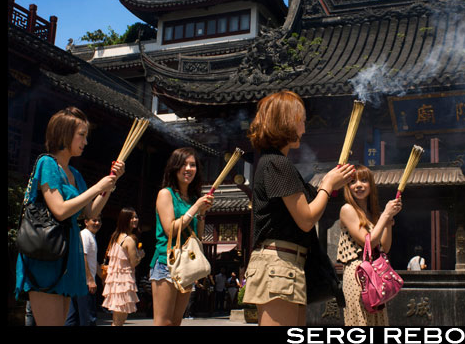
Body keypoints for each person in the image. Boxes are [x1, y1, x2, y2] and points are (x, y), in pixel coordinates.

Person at [242, 90, 355, 326]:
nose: (304, 125)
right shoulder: (277, 163)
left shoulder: (277, 164)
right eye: (301, 119)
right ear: (286, 121)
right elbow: (306, 218)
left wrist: (331, 182)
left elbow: (311, 198)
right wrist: (328, 184)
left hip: (287, 264)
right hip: (278, 265)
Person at [14, 107, 124, 326]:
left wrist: (109, 185)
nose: (86, 141)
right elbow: (60, 210)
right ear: (64, 134)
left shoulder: (75, 174)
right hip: (48, 251)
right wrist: (97, 187)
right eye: (81, 135)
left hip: (67, 251)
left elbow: (90, 212)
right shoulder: (47, 164)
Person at [149, 147, 214, 326]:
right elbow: (170, 230)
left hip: (186, 265)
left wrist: (201, 213)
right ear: (174, 167)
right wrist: (195, 209)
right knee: (164, 322)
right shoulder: (165, 194)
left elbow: (198, 236)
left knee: (176, 322)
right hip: (166, 261)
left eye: (192, 165)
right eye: (184, 164)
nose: (188, 169)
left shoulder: (193, 198)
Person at [337, 165, 402, 326]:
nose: (358, 185)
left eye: (364, 180)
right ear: (348, 187)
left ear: (371, 185)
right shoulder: (347, 209)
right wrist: (385, 215)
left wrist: (387, 221)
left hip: (374, 275)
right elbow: (369, 242)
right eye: (353, 181)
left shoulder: (373, 215)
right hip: (357, 274)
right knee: (360, 323)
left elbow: (384, 248)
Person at [102, 207, 145, 326]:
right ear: (125, 220)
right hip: (124, 282)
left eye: (136, 217)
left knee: (117, 320)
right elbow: (134, 262)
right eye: (132, 217)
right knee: (120, 320)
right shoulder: (129, 240)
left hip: (115, 282)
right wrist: (140, 255)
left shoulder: (115, 237)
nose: (135, 219)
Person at [65, 211, 103, 326]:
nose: (97, 223)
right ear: (86, 222)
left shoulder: (90, 236)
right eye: (94, 220)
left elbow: (93, 261)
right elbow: (82, 256)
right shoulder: (86, 235)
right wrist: (90, 280)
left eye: (99, 221)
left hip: (78, 282)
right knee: (88, 318)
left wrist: (102, 276)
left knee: (73, 317)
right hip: (83, 283)